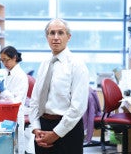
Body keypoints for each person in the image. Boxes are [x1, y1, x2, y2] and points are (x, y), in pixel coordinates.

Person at [29, 18, 90, 154]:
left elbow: (77, 107)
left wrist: (55, 134)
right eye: (52, 33)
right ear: (47, 37)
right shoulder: (45, 63)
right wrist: (36, 128)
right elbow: (35, 100)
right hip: (43, 128)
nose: (56, 37)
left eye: (60, 33)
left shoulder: (77, 65)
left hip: (68, 129)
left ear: (68, 37)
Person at [0, 46, 29, 154]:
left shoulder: (20, 76)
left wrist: (2, 90)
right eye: (2, 61)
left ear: (14, 58)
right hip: (7, 113)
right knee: (8, 145)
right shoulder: (9, 72)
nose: (4, 63)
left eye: (6, 60)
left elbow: (14, 100)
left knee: (16, 145)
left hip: (15, 113)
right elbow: (5, 94)